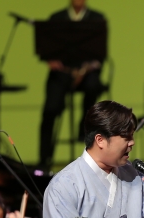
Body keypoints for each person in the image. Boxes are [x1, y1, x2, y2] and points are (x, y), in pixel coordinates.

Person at [38, 0, 107, 167]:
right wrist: (51, 60)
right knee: (50, 109)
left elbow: (101, 54)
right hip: (61, 73)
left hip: (87, 73)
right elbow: (46, 49)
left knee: (93, 86)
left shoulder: (97, 18)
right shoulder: (56, 18)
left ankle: (84, 126)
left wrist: (85, 70)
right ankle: (44, 159)